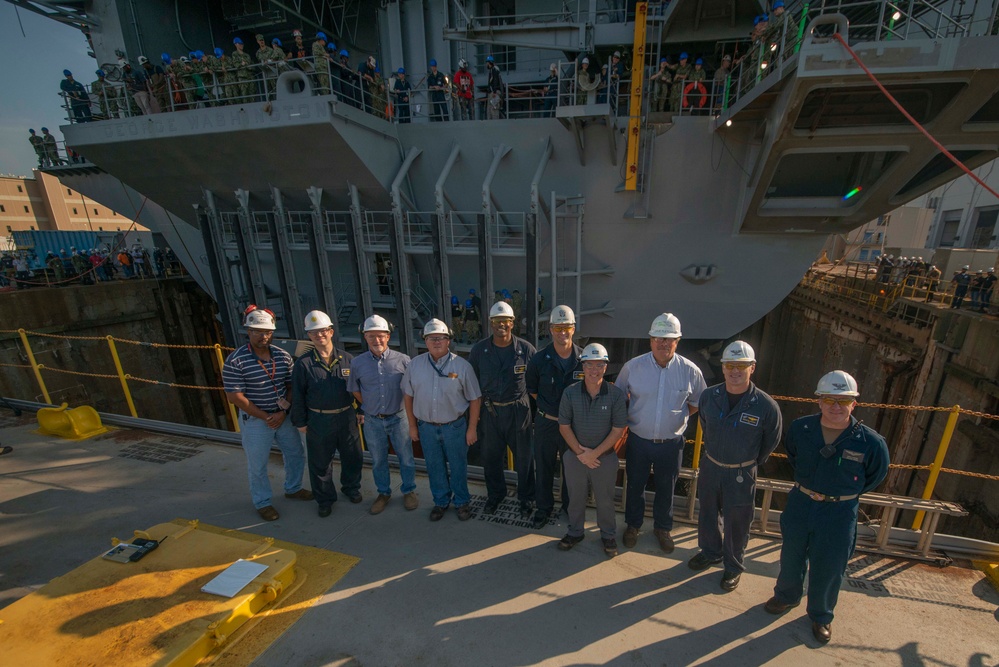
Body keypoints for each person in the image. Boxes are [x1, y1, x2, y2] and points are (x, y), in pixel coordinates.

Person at [764, 370, 889, 644]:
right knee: (792, 555)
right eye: (830, 400)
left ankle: (821, 615)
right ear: (819, 401)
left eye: (843, 401)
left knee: (830, 566)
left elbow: (876, 475)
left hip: (839, 513)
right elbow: (793, 456)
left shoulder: (871, 442)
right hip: (801, 503)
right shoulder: (801, 429)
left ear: (854, 404)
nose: (836, 406)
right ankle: (786, 596)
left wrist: (839, 494)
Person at [689, 341, 782, 591]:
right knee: (707, 512)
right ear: (723, 367)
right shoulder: (709, 396)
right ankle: (710, 552)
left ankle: (732, 566)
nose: (735, 371)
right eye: (730, 365)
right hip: (712, 465)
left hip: (742, 471)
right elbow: (705, 426)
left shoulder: (765, 406)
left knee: (737, 521)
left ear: (752, 368)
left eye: (741, 366)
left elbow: (770, 441)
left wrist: (747, 461)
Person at [618, 313, 707, 553]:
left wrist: (676, 420)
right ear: (650, 340)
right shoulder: (632, 368)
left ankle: (663, 528)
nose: (663, 343)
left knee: (667, 487)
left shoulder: (690, 371)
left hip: (671, 442)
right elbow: (618, 397)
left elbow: (698, 401)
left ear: (678, 341)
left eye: (669, 339)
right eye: (658, 338)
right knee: (635, 485)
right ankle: (633, 525)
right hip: (638, 440)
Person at [222, 306, 310, 521]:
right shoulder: (236, 361)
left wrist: (282, 411)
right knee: (258, 464)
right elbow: (236, 397)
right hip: (256, 421)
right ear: (248, 332)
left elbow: (291, 386)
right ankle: (262, 502)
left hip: (282, 416)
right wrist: (266, 416)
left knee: (296, 454)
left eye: (267, 332)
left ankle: (293, 488)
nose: (263, 336)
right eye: (257, 331)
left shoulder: (282, 356)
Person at [402, 319, 482, 521]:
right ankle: (440, 501)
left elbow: (475, 398)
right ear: (425, 341)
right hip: (427, 427)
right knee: (434, 466)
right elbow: (408, 396)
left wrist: (472, 428)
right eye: (431, 338)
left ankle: (462, 501)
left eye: (441, 338)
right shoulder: (415, 365)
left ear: (449, 341)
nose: (436, 341)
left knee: (458, 466)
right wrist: (412, 426)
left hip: (454, 427)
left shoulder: (462, 366)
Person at [556, 343, 628, 557]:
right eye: (589, 365)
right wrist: (580, 453)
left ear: (605, 367)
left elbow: (618, 429)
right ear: (582, 366)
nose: (594, 370)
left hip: (603, 459)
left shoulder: (615, 395)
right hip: (575, 456)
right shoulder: (570, 393)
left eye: (599, 365)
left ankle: (608, 535)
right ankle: (575, 532)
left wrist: (593, 455)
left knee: (605, 500)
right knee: (575, 497)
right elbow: (564, 426)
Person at [289, 310, 363, 517]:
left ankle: (351, 488)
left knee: (353, 457)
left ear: (331, 331)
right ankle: (325, 499)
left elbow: (362, 388)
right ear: (309, 336)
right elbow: (298, 395)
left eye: (323, 331)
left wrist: (362, 410)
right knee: (320, 463)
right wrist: (300, 422)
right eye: (314, 333)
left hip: (346, 416)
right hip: (318, 419)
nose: (319, 335)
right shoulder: (303, 364)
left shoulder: (348, 359)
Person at [469, 301, 538, 518]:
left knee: (525, 459)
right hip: (490, 412)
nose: (502, 325)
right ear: (491, 324)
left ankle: (526, 498)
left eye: (505, 322)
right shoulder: (480, 350)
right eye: (497, 322)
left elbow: (536, 383)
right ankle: (495, 495)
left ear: (512, 324)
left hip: (519, 411)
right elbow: (472, 383)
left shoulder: (526, 350)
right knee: (490, 458)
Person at [348, 314, 418, 515]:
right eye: (371, 336)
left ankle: (409, 491)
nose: (376, 340)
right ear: (365, 337)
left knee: (406, 457)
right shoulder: (358, 363)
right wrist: (370, 405)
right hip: (372, 420)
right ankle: (383, 493)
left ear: (388, 336)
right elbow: (354, 389)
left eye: (380, 336)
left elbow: (412, 390)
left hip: (399, 418)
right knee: (378, 460)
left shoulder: (404, 361)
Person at [526, 305, 583, 528]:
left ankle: (570, 507)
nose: (562, 332)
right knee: (544, 466)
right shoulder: (539, 359)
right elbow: (532, 389)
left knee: (572, 469)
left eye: (566, 327)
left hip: (574, 426)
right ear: (550, 329)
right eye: (558, 327)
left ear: (573, 328)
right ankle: (543, 507)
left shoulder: (583, 358)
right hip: (546, 423)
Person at [230, 37, 255, 104]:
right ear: (236, 44)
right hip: (242, 77)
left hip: (250, 76)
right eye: (240, 44)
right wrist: (241, 64)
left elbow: (251, 64)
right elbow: (236, 64)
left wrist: (246, 65)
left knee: (252, 94)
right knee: (244, 95)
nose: (241, 45)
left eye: (242, 44)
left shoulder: (247, 55)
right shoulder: (235, 54)